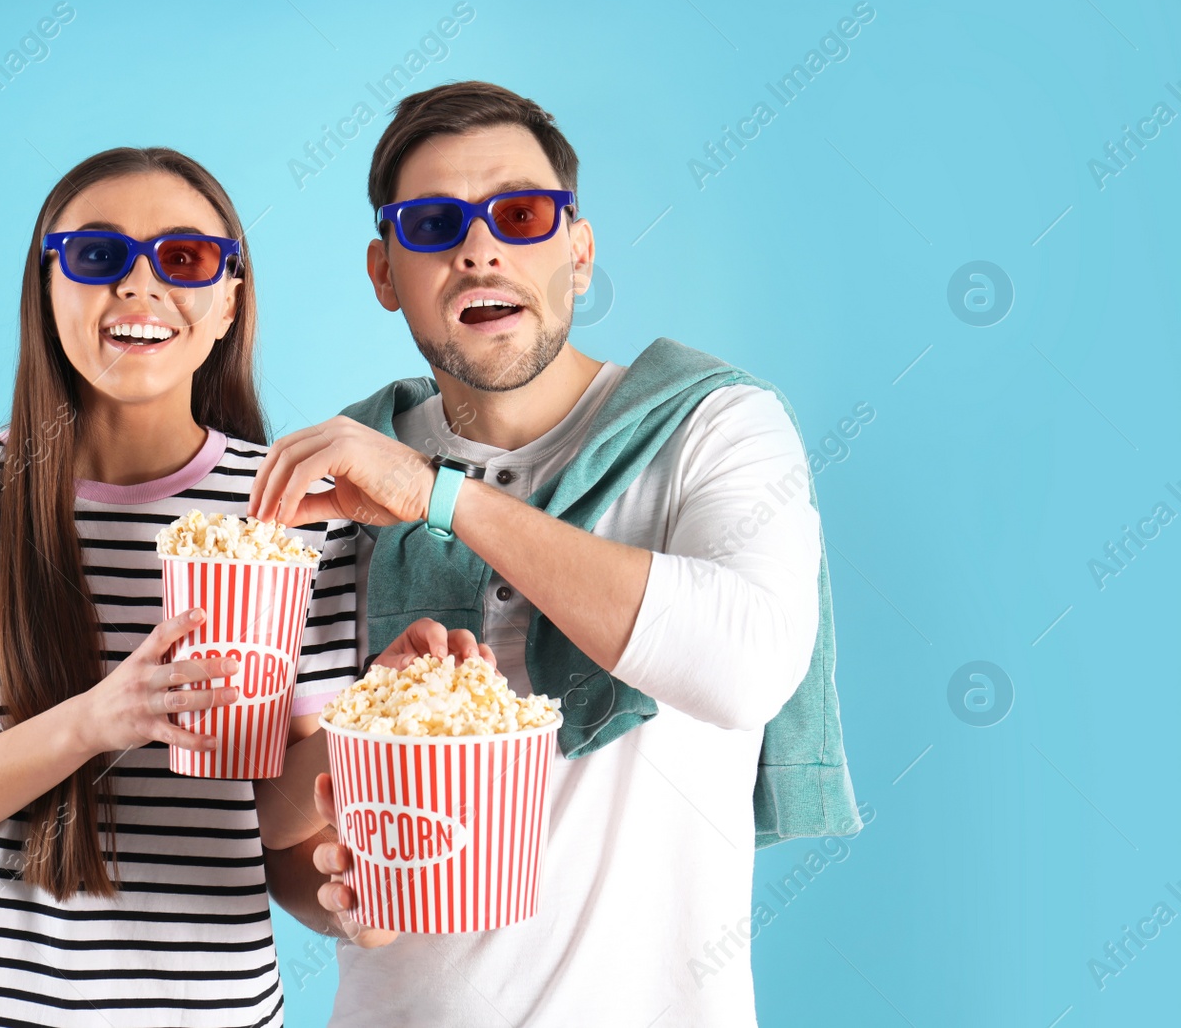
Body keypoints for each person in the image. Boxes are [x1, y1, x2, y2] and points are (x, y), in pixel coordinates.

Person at [249, 82, 861, 1026]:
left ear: (578, 253)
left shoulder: (715, 427)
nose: (479, 248)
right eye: (433, 223)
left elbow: (744, 669)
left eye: (521, 214)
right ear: (384, 272)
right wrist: (332, 892)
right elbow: (278, 815)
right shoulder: (335, 473)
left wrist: (442, 497)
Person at [0, 146, 434, 1027]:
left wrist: (369, 745)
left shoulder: (301, 511)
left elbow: (280, 828)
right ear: (47, 286)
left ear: (230, 296)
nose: (140, 286)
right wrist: (95, 719)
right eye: (97, 256)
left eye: (184, 258)